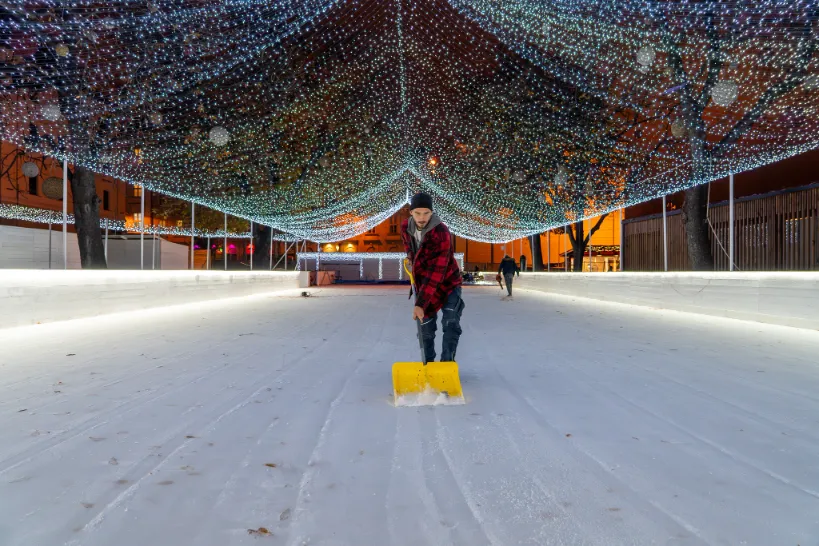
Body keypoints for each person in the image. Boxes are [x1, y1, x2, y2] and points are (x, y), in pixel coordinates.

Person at [401, 192, 465, 362]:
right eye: (417, 213)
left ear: (432, 213)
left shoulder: (441, 231)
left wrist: (420, 303)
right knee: (426, 328)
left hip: (448, 282)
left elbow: (437, 271)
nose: (422, 218)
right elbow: (410, 246)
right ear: (411, 212)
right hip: (423, 284)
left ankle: (446, 365)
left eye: (426, 213)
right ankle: (428, 366)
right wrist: (410, 256)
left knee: (451, 322)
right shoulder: (406, 228)